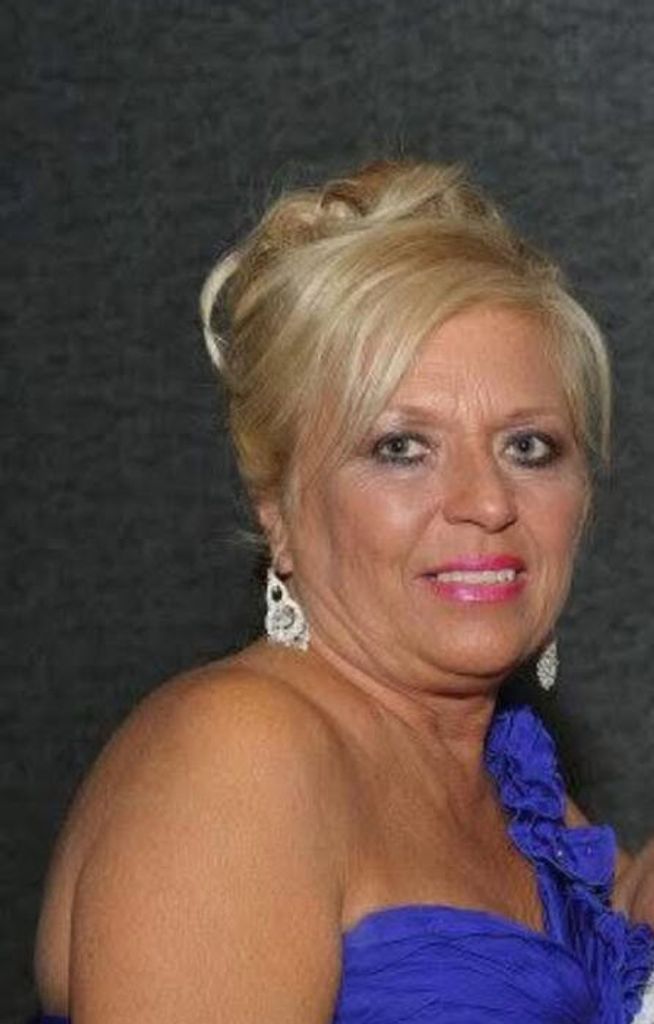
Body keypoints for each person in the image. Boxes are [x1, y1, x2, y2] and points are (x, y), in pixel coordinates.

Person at [34, 159, 654, 1023]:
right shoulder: (239, 758)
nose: (487, 502)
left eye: (529, 448)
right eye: (401, 448)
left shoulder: (520, 789)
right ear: (277, 509)